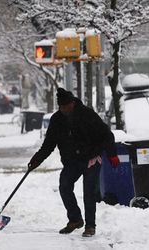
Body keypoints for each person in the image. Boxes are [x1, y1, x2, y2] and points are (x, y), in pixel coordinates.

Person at [27, 87, 120, 237]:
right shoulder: (57, 120)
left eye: (67, 106)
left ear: (72, 103)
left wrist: (112, 154)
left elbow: (107, 135)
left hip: (91, 158)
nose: (64, 109)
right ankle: (75, 219)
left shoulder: (87, 114)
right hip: (72, 161)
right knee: (64, 186)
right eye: (61, 107)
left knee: (89, 192)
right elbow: (49, 144)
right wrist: (36, 160)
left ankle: (90, 226)